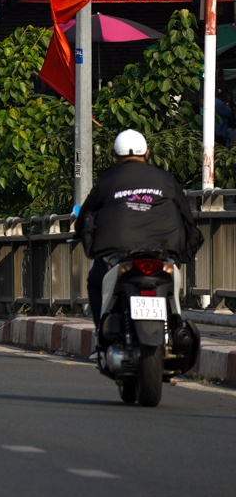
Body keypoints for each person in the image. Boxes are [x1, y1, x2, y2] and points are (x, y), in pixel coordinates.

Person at [77, 128, 203, 341]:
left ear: (116, 157)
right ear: (147, 153)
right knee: (172, 287)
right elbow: (187, 217)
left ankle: (101, 334)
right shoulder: (165, 178)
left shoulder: (108, 180)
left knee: (95, 282)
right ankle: (175, 325)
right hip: (164, 250)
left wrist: (82, 234)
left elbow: (86, 215)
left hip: (118, 251)